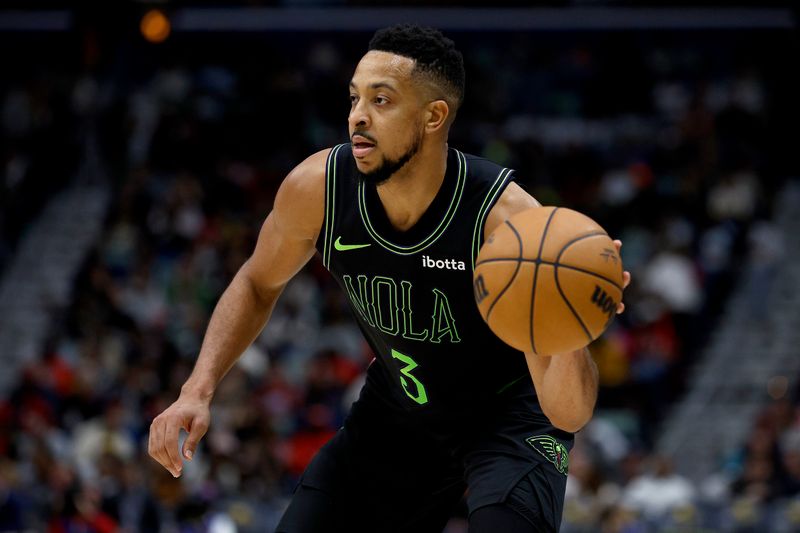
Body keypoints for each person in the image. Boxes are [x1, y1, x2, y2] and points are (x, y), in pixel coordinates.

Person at [148, 25, 630, 532]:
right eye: (354, 97)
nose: (358, 114)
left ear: (433, 116)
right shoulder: (318, 189)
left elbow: (566, 415)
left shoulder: (508, 223)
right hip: (399, 411)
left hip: (505, 420)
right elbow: (256, 283)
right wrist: (197, 390)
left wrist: (571, 325)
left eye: (382, 100)